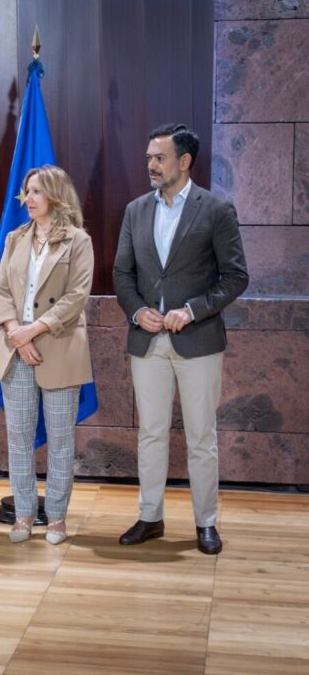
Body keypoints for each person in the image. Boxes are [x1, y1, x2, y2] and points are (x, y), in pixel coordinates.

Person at [113, 123, 248, 555]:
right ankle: (150, 517)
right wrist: (137, 311)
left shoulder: (216, 210)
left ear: (184, 162)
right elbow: (122, 273)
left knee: (200, 437)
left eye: (159, 158)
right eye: (149, 157)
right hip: (147, 343)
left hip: (199, 340)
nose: (151, 165)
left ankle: (205, 523)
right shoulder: (135, 210)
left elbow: (236, 277)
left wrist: (191, 310)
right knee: (150, 434)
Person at [0, 165, 94, 545]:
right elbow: (0, 289)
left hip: (59, 348)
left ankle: (57, 518)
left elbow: (76, 296)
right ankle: (22, 516)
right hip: (16, 349)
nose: (28, 199)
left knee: (61, 438)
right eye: (26, 191)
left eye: (36, 192)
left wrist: (34, 330)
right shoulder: (15, 238)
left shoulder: (78, 241)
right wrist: (16, 333)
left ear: (55, 195)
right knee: (17, 437)